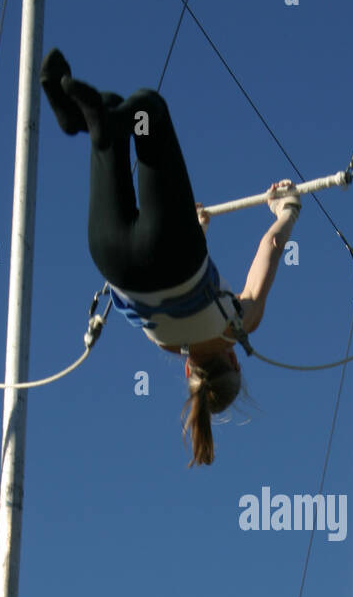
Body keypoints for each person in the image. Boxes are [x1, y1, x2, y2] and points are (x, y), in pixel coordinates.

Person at [40, 49, 301, 465]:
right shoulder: (168, 344)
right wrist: (193, 229)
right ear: (188, 373)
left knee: (147, 113)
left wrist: (287, 209)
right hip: (113, 258)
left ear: (234, 359)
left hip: (175, 253)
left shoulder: (239, 326)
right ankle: (84, 121)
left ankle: (100, 120)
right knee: (109, 124)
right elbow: (168, 296)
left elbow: (269, 248)